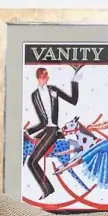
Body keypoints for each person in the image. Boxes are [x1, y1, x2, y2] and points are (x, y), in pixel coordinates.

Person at [26, 66, 82, 199]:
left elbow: (73, 101)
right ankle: (48, 189)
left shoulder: (53, 90)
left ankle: (47, 190)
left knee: (31, 162)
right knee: (30, 160)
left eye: (47, 76)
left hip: (53, 130)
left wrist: (74, 82)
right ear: (39, 77)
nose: (47, 79)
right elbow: (42, 122)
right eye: (44, 76)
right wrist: (27, 131)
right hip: (46, 129)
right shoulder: (34, 95)